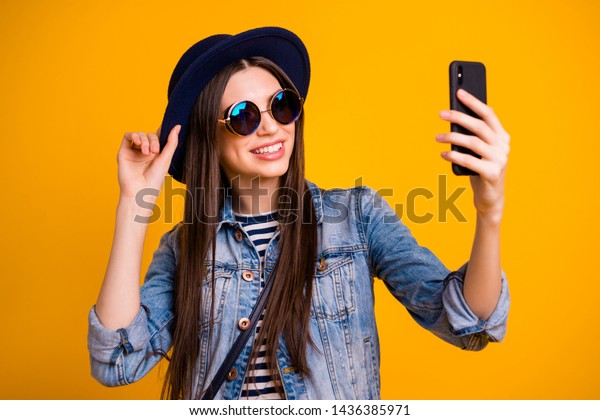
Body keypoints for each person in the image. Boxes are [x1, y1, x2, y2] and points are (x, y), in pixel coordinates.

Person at [87, 27, 510, 400]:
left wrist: (488, 212)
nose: (271, 126)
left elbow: (468, 323)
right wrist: (133, 205)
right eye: (244, 116)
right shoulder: (184, 247)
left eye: (282, 104)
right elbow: (118, 361)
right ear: (208, 137)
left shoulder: (357, 218)